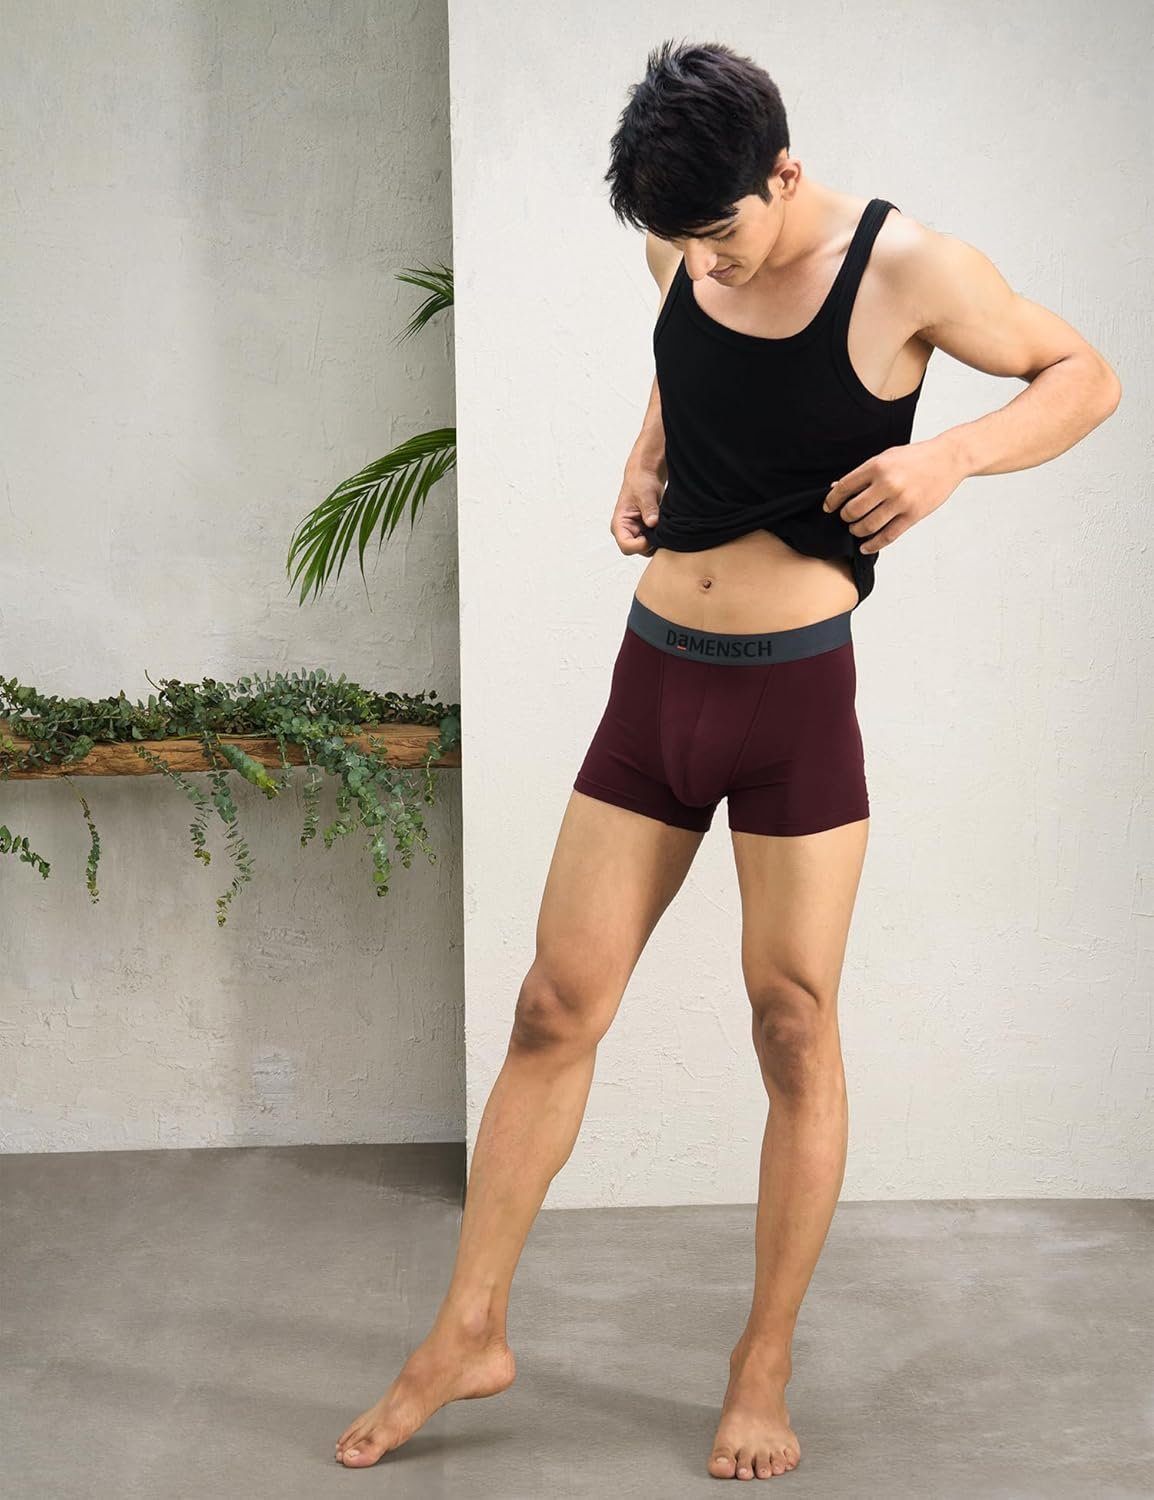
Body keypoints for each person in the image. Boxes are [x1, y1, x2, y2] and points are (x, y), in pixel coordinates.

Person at [335, 38, 1121, 1479]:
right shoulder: (680, 247)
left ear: (784, 171)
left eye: (721, 232)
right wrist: (645, 452)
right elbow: (683, 359)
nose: (704, 260)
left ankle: (761, 1365)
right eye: (677, 240)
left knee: (792, 1024)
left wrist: (948, 457)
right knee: (553, 1008)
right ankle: (467, 1331)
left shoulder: (908, 270)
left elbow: (1086, 375)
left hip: (793, 701)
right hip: (654, 682)